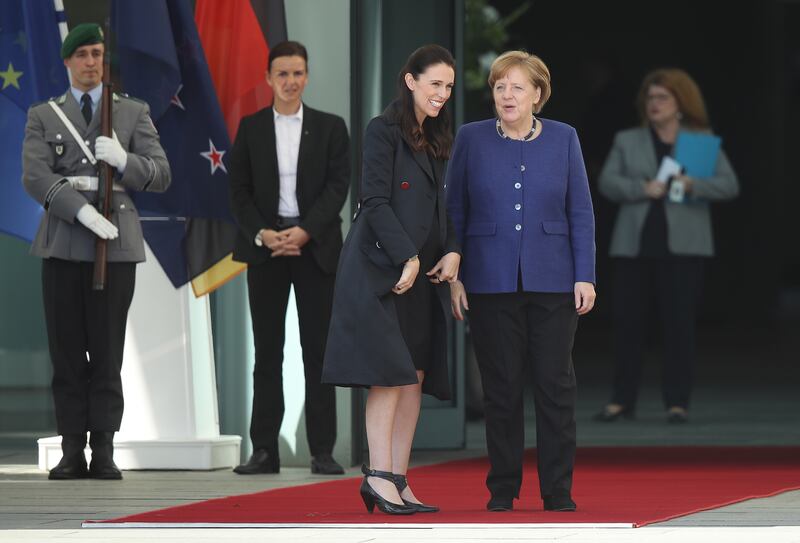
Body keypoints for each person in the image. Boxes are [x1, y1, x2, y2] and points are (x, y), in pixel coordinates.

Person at [446, 50, 596, 513]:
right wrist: (455, 275)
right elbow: (454, 211)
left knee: (555, 386)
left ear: (537, 94)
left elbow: (581, 212)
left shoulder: (564, 138)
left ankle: (557, 490)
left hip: (554, 279)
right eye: (499, 87)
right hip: (489, 280)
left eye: (517, 87)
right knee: (502, 389)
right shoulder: (470, 138)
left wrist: (584, 274)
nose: (507, 95)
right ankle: (503, 488)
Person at [22, 23, 171, 480]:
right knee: (67, 353)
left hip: (116, 244)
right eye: (83, 54)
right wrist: (80, 213)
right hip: (65, 242)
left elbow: (161, 173)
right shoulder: (45, 114)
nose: (92, 62)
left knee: (107, 354)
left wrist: (126, 161)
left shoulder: (130, 112)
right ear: (67, 61)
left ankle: (103, 448)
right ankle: (72, 450)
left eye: (98, 54)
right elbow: (35, 175)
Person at [322, 44, 461, 515]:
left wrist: (453, 251)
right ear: (410, 81)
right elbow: (374, 201)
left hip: (422, 273)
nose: (442, 94)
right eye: (434, 83)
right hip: (384, 268)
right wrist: (407, 257)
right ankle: (377, 477)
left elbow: (449, 207)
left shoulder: (442, 137)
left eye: (448, 86)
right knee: (387, 375)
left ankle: (399, 480)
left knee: (414, 376)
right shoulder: (382, 130)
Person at [228, 41, 350, 476]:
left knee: (318, 352)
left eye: (298, 73)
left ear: (307, 76)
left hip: (314, 248)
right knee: (267, 353)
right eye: (282, 74)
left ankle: (322, 451)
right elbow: (237, 190)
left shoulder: (331, 127)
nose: (290, 82)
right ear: (268, 78)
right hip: (266, 249)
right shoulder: (251, 128)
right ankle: (264, 451)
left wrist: (305, 230)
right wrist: (264, 233)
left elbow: (338, 186)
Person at [594, 68, 739, 424]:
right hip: (634, 247)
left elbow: (729, 185)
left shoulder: (700, 141)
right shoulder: (628, 139)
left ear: (680, 104)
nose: (654, 104)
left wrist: (693, 185)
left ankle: (677, 401)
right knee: (628, 325)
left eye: (663, 98)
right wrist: (642, 188)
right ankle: (621, 400)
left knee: (679, 326)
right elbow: (607, 182)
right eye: (650, 97)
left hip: (684, 248)